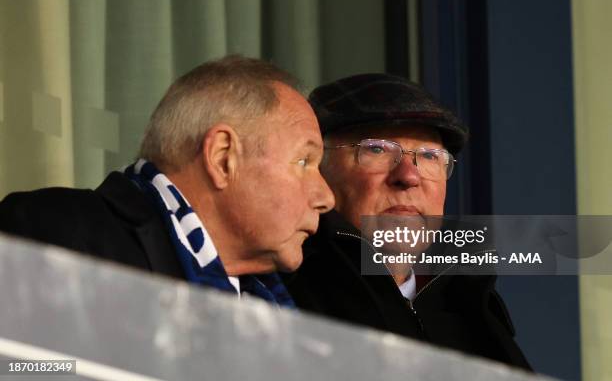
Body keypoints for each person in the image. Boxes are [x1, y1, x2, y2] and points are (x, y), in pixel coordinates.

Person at [0, 55, 335, 307]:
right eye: (304, 161)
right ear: (223, 157)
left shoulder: (290, 299)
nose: (326, 197)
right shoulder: (57, 235)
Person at [282, 73, 531, 368]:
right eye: (376, 149)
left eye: (429, 156)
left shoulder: (474, 304)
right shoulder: (278, 295)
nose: (409, 176)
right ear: (316, 168)